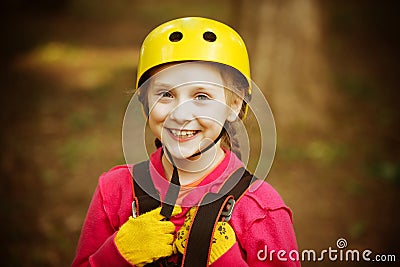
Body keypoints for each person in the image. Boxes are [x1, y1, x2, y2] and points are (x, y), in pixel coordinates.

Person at [71, 17, 300, 267]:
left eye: (201, 96)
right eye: (166, 94)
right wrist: (117, 255)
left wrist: (227, 262)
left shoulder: (261, 209)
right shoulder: (115, 191)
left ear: (234, 104)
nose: (180, 114)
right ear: (145, 103)